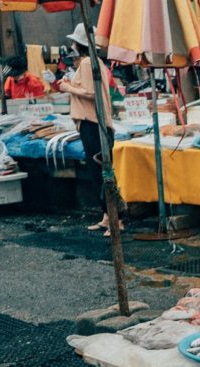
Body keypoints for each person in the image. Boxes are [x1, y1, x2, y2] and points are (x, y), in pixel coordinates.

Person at [59, 23, 116, 236]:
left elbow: (91, 93)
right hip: (93, 123)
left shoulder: (87, 63)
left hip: (93, 123)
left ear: (79, 43)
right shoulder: (93, 62)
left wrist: (67, 87)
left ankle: (115, 220)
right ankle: (107, 217)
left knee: (101, 172)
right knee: (98, 171)